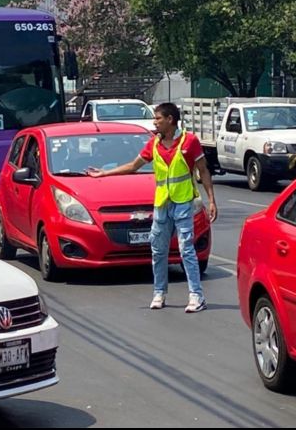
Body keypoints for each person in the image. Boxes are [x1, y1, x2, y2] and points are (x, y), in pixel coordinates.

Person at [86, 102, 218, 313]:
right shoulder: (153, 144)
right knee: (158, 250)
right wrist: (103, 173)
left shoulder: (189, 141)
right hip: (161, 204)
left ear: (170, 120)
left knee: (186, 250)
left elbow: (203, 171)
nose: (154, 122)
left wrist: (211, 200)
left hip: (184, 203)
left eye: (158, 118)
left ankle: (196, 295)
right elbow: (133, 166)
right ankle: (159, 292)